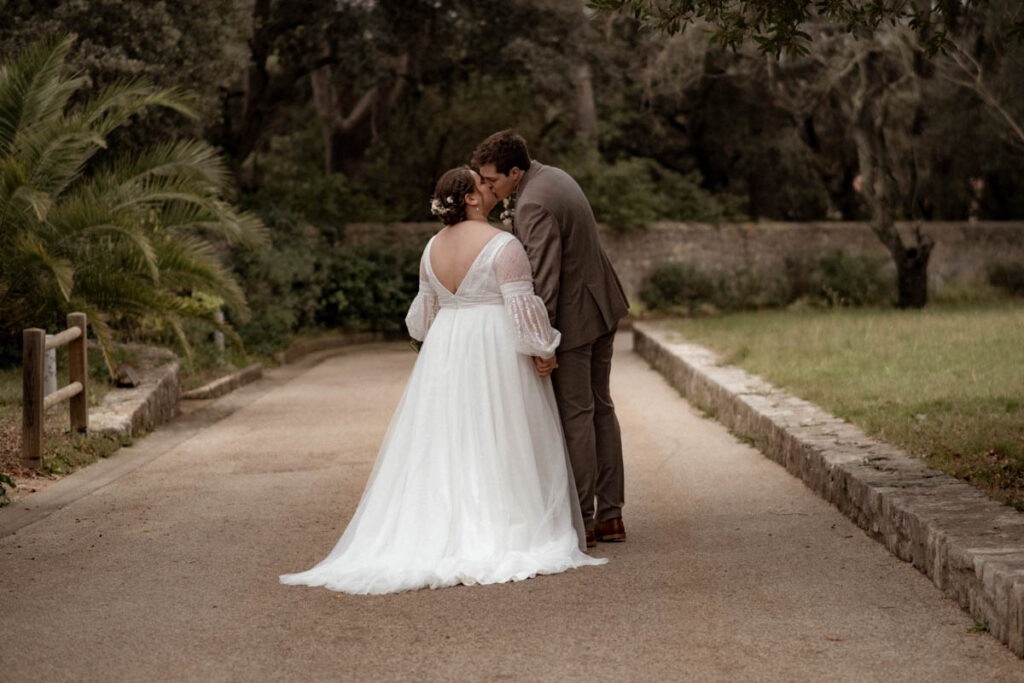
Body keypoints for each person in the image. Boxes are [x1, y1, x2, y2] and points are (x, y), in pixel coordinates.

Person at [280, 166, 605, 595]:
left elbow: (421, 320)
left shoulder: (431, 247)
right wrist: (543, 350)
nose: (488, 187)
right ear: (469, 198)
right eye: (481, 183)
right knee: (498, 435)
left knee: (451, 439)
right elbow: (522, 309)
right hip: (494, 350)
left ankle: (444, 522)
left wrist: (448, 336)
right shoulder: (503, 245)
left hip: (446, 350)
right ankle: (500, 522)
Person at [473, 131, 630, 548]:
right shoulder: (553, 176)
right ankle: (611, 515)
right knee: (600, 409)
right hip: (601, 304)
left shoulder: (533, 203)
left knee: (577, 414)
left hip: (576, 320)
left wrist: (542, 342)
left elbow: (544, 278)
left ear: (515, 172)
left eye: (492, 180)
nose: (488, 187)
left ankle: (583, 520)